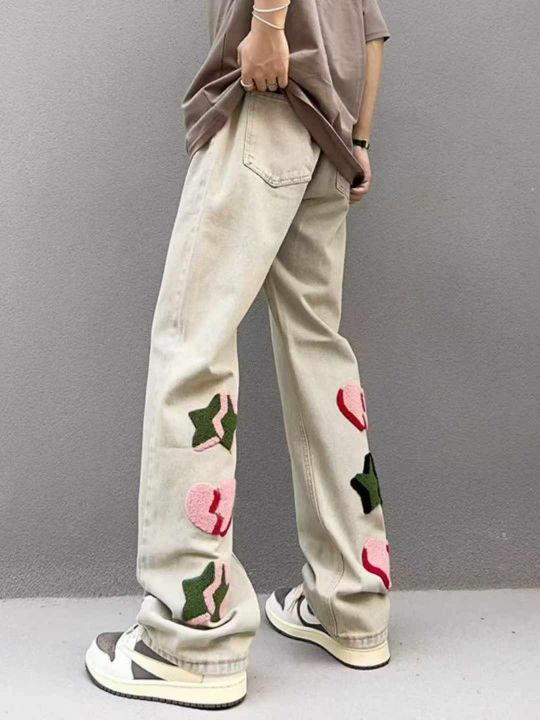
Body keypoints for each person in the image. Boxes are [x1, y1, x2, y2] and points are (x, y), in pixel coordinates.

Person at [85, 0, 391, 709]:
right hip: (331, 136)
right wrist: (361, 138)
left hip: (266, 106)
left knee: (192, 346)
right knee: (320, 359)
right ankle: (353, 604)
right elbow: (372, 29)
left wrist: (270, 25)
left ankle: (192, 639)